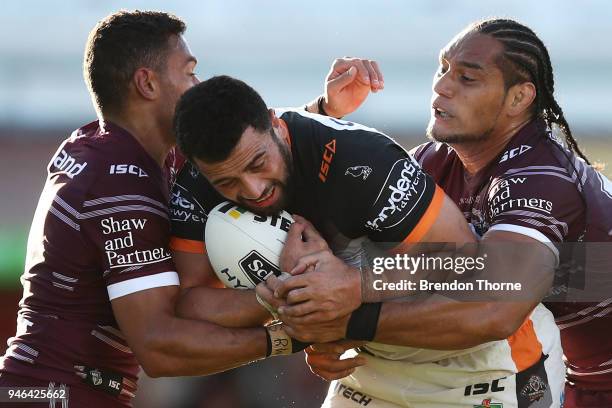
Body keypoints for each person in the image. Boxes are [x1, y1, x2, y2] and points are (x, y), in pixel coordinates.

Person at [0, 10, 383, 407]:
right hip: (57, 394)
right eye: (189, 72)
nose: (197, 85)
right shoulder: (118, 185)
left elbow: (238, 146)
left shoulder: (106, 146)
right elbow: (159, 346)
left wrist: (322, 109)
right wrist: (296, 331)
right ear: (147, 83)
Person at [273, 19, 612, 408]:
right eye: (443, 68)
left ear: (519, 99)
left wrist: (348, 311)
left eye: (467, 78)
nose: (441, 85)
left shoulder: (539, 176)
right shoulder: (433, 163)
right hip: (571, 376)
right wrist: (324, 114)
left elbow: (494, 308)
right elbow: (399, 270)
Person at [171, 75, 565, 407]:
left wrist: (354, 289)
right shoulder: (193, 188)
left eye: (258, 164)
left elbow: (464, 262)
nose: (253, 190)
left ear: (276, 125)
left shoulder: (360, 159)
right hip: (369, 370)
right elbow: (192, 302)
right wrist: (284, 301)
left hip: (483, 363)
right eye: (226, 183)